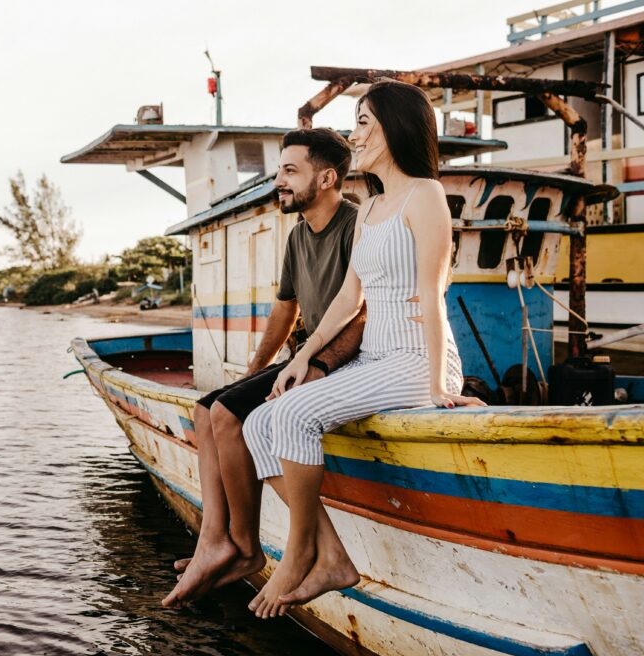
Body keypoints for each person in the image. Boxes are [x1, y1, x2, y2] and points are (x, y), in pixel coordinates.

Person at [241, 80, 486, 620]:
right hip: (375, 357)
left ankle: (299, 551)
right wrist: (305, 356)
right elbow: (350, 296)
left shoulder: (426, 196)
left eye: (364, 123)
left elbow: (432, 293)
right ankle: (330, 555)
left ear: (394, 128)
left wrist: (443, 386)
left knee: (297, 415)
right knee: (260, 422)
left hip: (416, 358)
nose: (356, 136)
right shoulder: (370, 206)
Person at [162, 128, 366, 608]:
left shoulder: (356, 226)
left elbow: (362, 310)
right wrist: (254, 372)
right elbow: (284, 311)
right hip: (303, 355)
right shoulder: (298, 235)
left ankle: (246, 546)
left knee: (230, 416)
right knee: (205, 408)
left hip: (340, 360)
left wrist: (313, 364)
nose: (280, 181)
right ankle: (215, 538)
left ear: (328, 177)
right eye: (280, 171)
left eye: (290, 171)